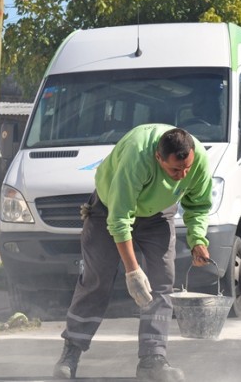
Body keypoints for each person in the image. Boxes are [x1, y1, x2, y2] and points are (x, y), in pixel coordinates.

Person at [53, 124, 213, 382]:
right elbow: (119, 220)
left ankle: (153, 360)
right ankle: (71, 352)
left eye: (187, 168)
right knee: (96, 280)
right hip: (109, 208)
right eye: (175, 170)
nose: (182, 175)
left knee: (161, 281)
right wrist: (133, 271)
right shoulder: (137, 156)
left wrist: (198, 240)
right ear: (158, 157)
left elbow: (198, 205)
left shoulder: (199, 161)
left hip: (158, 214)